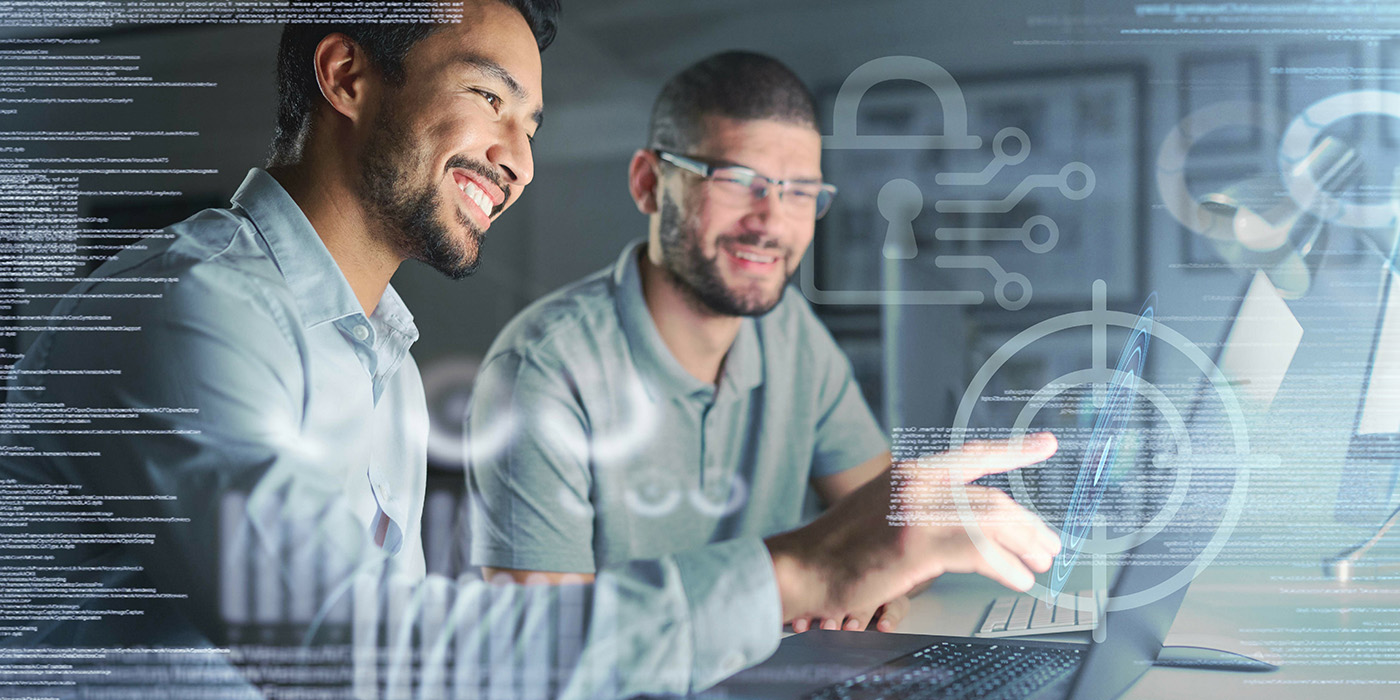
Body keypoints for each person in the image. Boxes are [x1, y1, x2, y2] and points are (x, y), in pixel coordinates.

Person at [0, 4, 1061, 698]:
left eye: (535, 126)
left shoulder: (376, 352)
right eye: (489, 99)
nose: (517, 159)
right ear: (346, 75)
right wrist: (792, 571)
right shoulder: (191, 312)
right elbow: (347, 648)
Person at [468, 52, 897, 632]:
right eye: (738, 181)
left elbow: (893, 520)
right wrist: (798, 580)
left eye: (800, 192)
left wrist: (879, 578)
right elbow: (550, 647)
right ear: (649, 184)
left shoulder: (790, 330)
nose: (770, 221)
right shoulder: (541, 371)